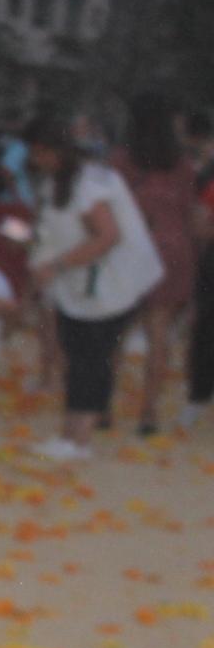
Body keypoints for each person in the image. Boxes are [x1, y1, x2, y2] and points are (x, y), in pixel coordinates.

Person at [24, 116, 164, 459]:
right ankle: (71, 433)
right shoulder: (59, 181)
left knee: (90, 359)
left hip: (107, 286)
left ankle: (80, 438)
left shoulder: (89, 183)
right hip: (80, 284)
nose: (34, 160)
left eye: (38, 153)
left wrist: (56, 264)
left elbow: (107, 236)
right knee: (79, 355)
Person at [116, 93, 204, 435]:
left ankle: (105, 406)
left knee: (117, 334)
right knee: (160, 335)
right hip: (174, 252)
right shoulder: (181, 164)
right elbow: (190, 213)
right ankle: (149, 413)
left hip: (132, 251)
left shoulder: (122, 161)